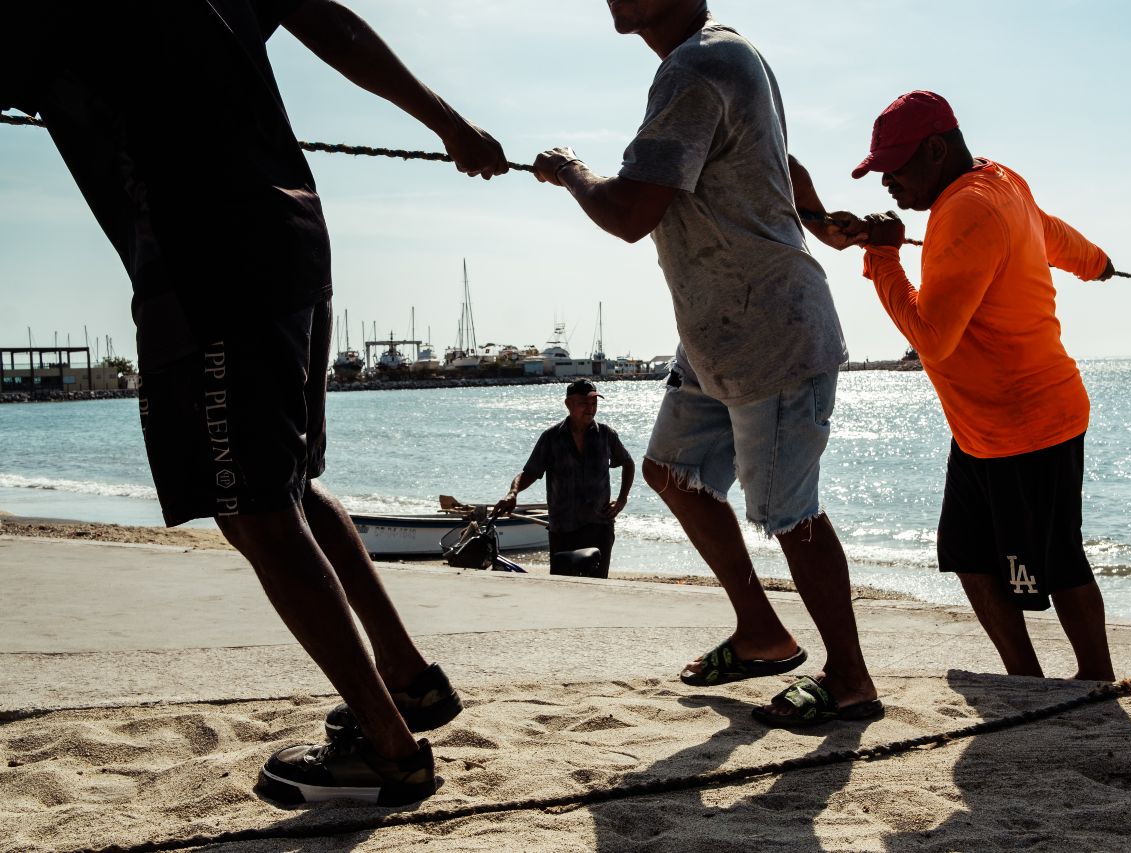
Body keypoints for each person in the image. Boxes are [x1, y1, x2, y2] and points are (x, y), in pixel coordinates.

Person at [2, 0, 508, 805]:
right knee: (291, 488)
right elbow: (325, 18)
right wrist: (449, 124)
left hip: (206, 265)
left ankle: (389, 749)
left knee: (256, 513)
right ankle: (407, 679)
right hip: (293, 236)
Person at [531, 0, 881, 727]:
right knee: (670, 472)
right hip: (717, 334)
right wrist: (815, 220)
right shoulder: (716, 55)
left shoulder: (696, 65)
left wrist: (570, 172)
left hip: (771, 330)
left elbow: (629, 214)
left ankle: (851, 679)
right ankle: (761, 631)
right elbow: (779, 159)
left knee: (793, 514)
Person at [822, 90, 1116, 681]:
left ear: (936, 149)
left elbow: (931, 338)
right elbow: (1049, 232)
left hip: (1031, 422)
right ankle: (1025, 679)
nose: (885, 182)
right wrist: (1097, 263)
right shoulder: (999, 180)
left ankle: (1097, 679)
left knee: (1059, 562)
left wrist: (882, 259)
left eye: (894, 167)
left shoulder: (966, 209)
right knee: (966, 555)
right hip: (981, 428)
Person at [494, 379, 634, 576]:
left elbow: (628, 463)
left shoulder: (606, 435)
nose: (590, 408)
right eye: (584, 403)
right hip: (562, 529)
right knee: (562, 588)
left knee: (597, 587)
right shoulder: (551, 437)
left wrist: (621, 500)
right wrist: (512, 493)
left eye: (594, 403)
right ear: (568, 404)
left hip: (599, 526)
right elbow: (530, 473)